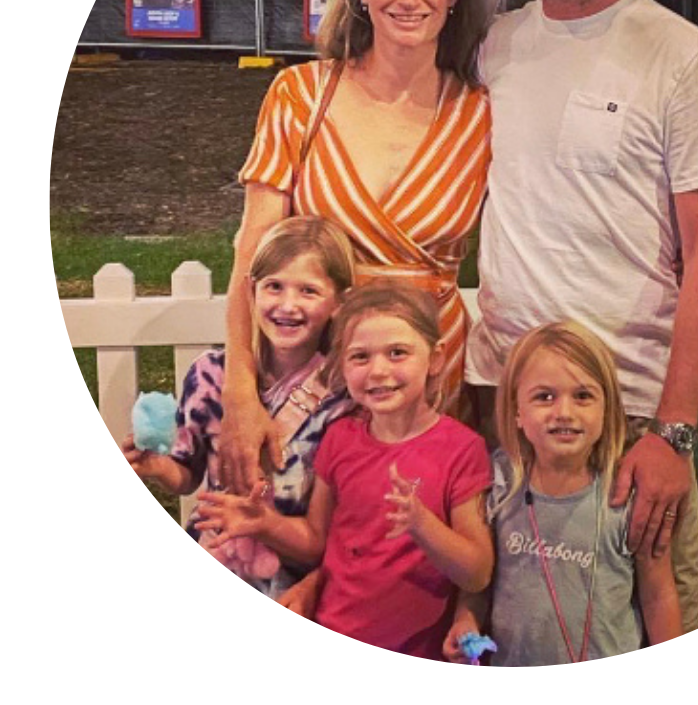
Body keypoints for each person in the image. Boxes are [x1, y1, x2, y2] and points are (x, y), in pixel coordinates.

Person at [464, 0, 698, 636]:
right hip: (508, 415)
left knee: (659, 639)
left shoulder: (678, 53)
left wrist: (673, 434)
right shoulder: (498, 47)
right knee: (517, 634)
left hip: (627, 420)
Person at [220, 0, 503, 495]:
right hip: (315, 377)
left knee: (417, 565)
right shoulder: (299, 96)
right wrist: (240, 386)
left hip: (434, 376)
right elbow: (252, 251)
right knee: (300, 569)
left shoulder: (484, 113)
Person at [198, 282, 494, 662]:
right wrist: (264, 523)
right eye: (360, 357)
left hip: (415, 650)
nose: (379, 370)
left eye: (398, 353)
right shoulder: (340, 438)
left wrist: (423, 525)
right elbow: (317, 541)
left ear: (435, 359)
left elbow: (478, 573)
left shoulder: (461, 449)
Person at [122, 215, 356, 599]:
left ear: (338, 301)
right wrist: (155, 466)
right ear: (251, 292)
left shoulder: (341, 396)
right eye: (274, 287)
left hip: (299, 581)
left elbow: (337, 526)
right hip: (219, 562)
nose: (287, 305)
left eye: (309, 291)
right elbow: (187, 475)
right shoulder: (211, 375)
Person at [444, 322, 680, 674]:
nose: (564, 412)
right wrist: (465, 619)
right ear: (517, 412)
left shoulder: (628, 494)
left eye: (583, 396)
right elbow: (480, 581)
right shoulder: (498, 484)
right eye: (544, 397)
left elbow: (659, 597)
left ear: (607, 408)